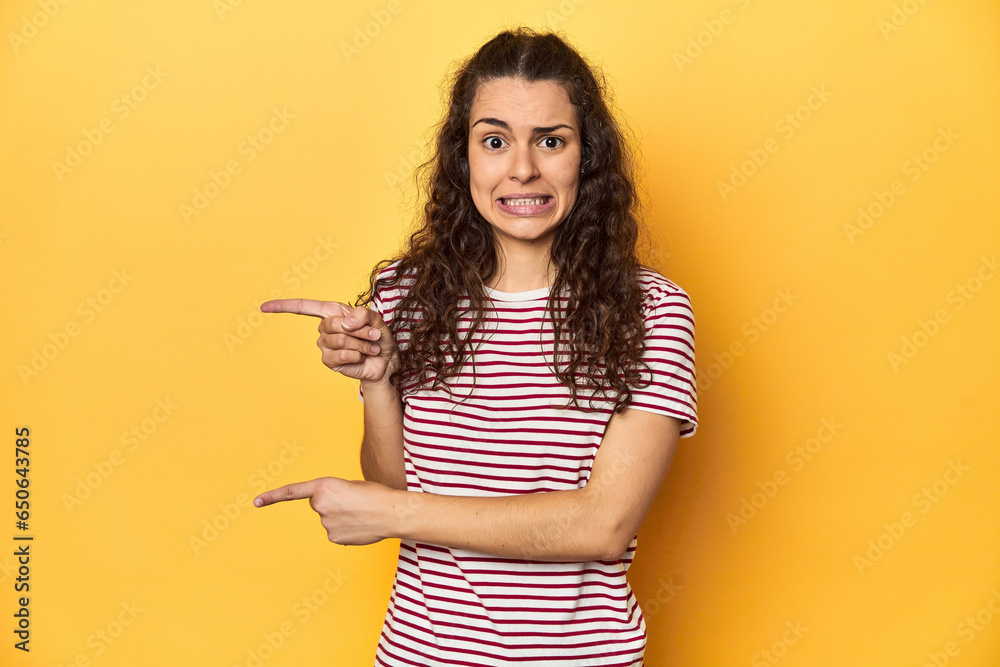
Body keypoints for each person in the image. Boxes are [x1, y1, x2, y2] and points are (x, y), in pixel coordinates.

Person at [253, 27, 698, 666]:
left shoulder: (650, 311)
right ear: (464, 159)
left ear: (587, 157)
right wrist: (379, 380)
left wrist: (391, 514)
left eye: (551, 141)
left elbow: (603, 527)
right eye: (495, 141)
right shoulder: (405, 295)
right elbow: (396, 486)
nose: (522, 168)